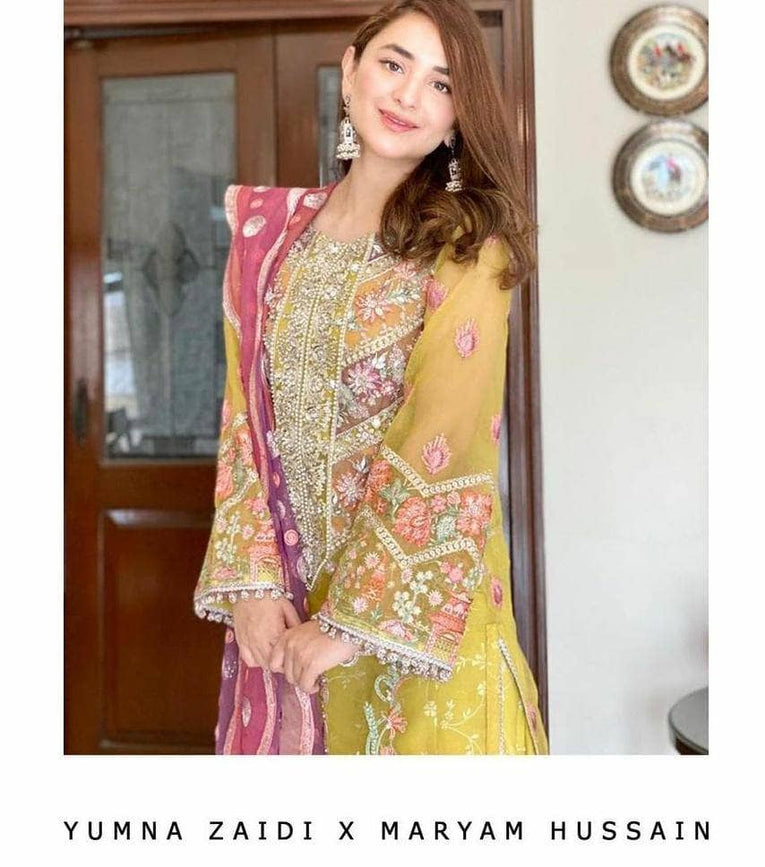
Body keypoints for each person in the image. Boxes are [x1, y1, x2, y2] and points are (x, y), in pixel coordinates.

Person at [194, 0, 549, 755]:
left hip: (414, 630)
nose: (409, 95)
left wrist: (350, 624)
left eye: (442, 84)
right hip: (282, 622)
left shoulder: (466, 249)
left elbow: (446, 438)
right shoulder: (268, 237)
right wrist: (252, 588)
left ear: (456, 119)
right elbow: (243, 418)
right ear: (351, 71)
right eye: (394, 64)